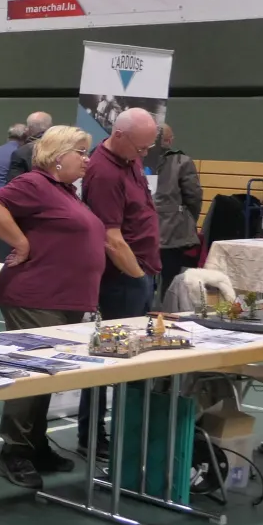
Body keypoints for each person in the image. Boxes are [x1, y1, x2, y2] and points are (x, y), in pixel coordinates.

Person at [0, 126, 104, 488]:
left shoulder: (65, 192)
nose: (86, 159)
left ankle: (34, 444)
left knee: (48, 376)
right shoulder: (34, 183)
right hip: (35, 296)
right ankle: (14, 451)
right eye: (80, 151)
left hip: (64, 298)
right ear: (57, 155)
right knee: (30, 374)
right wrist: (20, 243)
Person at [78, 107, 163, 456]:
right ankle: (93, 438)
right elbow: (110, 237)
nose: (144, 155)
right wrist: (139, 277)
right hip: (124, 280)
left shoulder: (128, 160)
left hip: (142, 271)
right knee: (108, 359)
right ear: (120, 135)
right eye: (141, 148)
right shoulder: (104, 172)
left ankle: (125, 432)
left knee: (132, 359)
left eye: (148, 148)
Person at [153, 124, 204, 296]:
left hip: (140, 230)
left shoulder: (135, 159)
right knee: (170, 280)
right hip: (173, 232)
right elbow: (194, 197)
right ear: (168, 140)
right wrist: (188, 219)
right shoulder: (182, 161)